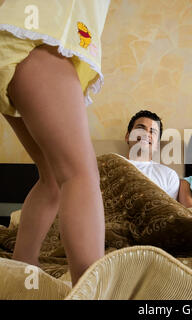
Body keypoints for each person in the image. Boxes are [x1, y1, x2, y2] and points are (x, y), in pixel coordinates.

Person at [0, 0, 110, 285]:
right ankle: (90, 291)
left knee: (52, 178)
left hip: (18, 37)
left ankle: (21, 272)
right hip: (38, 39)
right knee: (80, 176)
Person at [124, 110, 180, 200]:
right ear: (127, 136)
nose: (146, 134)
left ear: (157, 144)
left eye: (153, 132)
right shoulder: (110, 164)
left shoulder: (169, 176)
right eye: (140, 128)